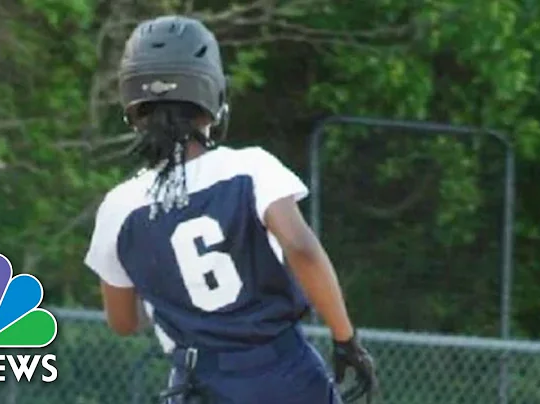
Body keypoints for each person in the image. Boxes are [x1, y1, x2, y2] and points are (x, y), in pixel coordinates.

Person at [84, 15, 377, 404]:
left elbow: (123, 323)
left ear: (133, 105)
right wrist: (346, 340)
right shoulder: (249, 168)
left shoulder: (118, 208)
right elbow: (302, 248)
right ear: (212, 100)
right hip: (282, 373)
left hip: (196, 382)